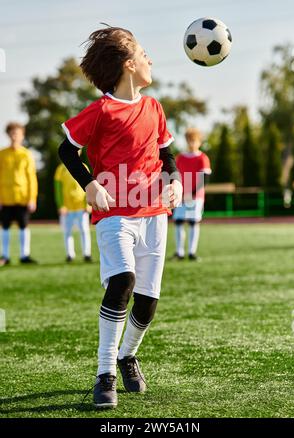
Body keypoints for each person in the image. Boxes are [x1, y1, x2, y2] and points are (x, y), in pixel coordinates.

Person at [58, 26, 183, 409]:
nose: (150, 60)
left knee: (147, 303)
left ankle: (128, 356)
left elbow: (167, 156)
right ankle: (104, 372)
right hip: (114, 214)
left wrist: (175, 180)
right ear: (129, 65)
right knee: (122, 282)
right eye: (144, 54)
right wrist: (90, 184)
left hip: (154, 214)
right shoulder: (101, 111)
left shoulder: (155, 108)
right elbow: (67, 150)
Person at [0, 122, 38, 266]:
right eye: (12, 133)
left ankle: (24, 255)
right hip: (5, 197)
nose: (14, 136)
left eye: (17, 133)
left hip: (23, 197)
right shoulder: (2, 154)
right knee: (4, 226)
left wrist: (32, 198)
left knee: (24, 226)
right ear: (8, 135)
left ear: (22, 136)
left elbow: (32, 179)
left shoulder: (27, 155)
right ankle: (4, 256)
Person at [172, 128, 211, 261]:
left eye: (194, 140)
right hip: (181, 196)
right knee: (178, 222)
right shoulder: (180, 157)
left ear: (199, 142)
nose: (191, 143)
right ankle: (179, 252)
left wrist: (191, 193)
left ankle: (192, 252)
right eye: (189, 140)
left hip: (196, 197)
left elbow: (205, 179)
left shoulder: (203, 158)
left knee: (194, 223)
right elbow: (174, 175)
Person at [54, 160, 92, 262]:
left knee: (84, 231)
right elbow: (57, 188)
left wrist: (87, 204)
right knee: (67, 232)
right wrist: (61, 205)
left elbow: (89, 185)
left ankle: (87, 254)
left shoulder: (84, 166)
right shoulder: (61, 169)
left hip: (81, 206)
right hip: (67, 207)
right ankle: (70, 254)